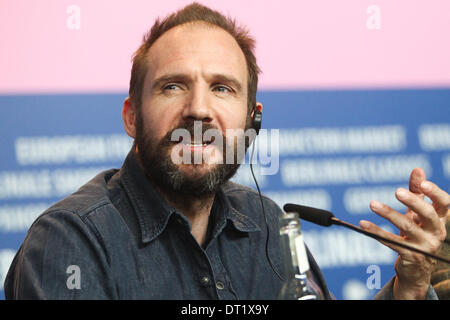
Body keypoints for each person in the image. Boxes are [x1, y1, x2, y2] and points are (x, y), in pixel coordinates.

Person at [4, 2, 449, 300]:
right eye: (172, 86)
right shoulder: (68, 241)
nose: (198, 109)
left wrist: (408, 288)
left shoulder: (271, 224)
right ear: (132, 116)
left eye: (221, 88)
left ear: (251, 122)